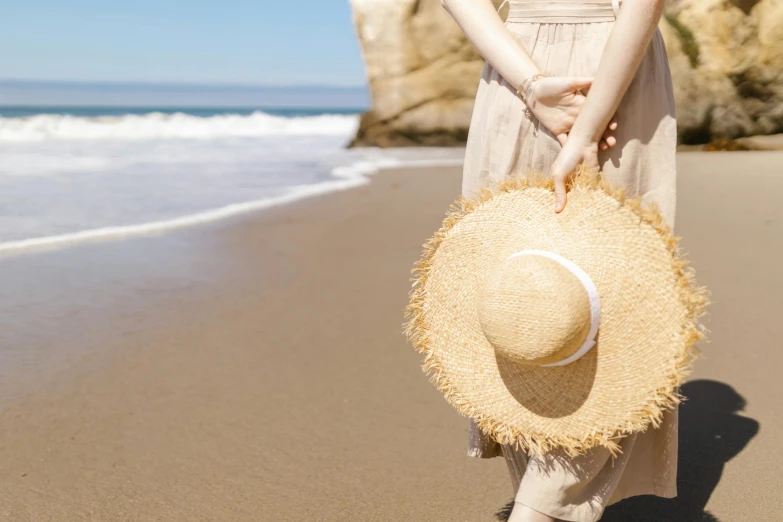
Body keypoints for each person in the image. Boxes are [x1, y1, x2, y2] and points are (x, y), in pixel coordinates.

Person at [440, 0, 678, 521]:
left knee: (548, 286)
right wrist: (588, 129)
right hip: (606, 68)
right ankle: (543, 505)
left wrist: (530, 86)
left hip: (516, 67)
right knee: (547, 301)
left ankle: (539, 506)